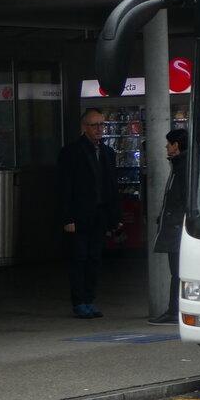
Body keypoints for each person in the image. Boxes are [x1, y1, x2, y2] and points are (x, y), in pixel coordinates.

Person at [56, 108, 123, 319]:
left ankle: (90, 299)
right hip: (79, 215)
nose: (99, 129)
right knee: (79, 258)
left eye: (102, 125)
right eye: (95, 125)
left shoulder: (107, 153)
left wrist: (115, 217)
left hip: (100, 214)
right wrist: (67, 218)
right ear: (85, 127)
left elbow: (111, 187)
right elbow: (63, 188)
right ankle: (78, 301)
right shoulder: (71, 152)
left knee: (95, 258)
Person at [149, 128, 188, 325]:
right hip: (175, 225)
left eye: (169, 143)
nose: (166, 146)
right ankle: (176, 309)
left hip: (177, 227)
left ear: (176, 146)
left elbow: (181, 200)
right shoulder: (179, 166)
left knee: (178, 271)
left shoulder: (182, 169)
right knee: (177, 271)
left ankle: (174, 310)